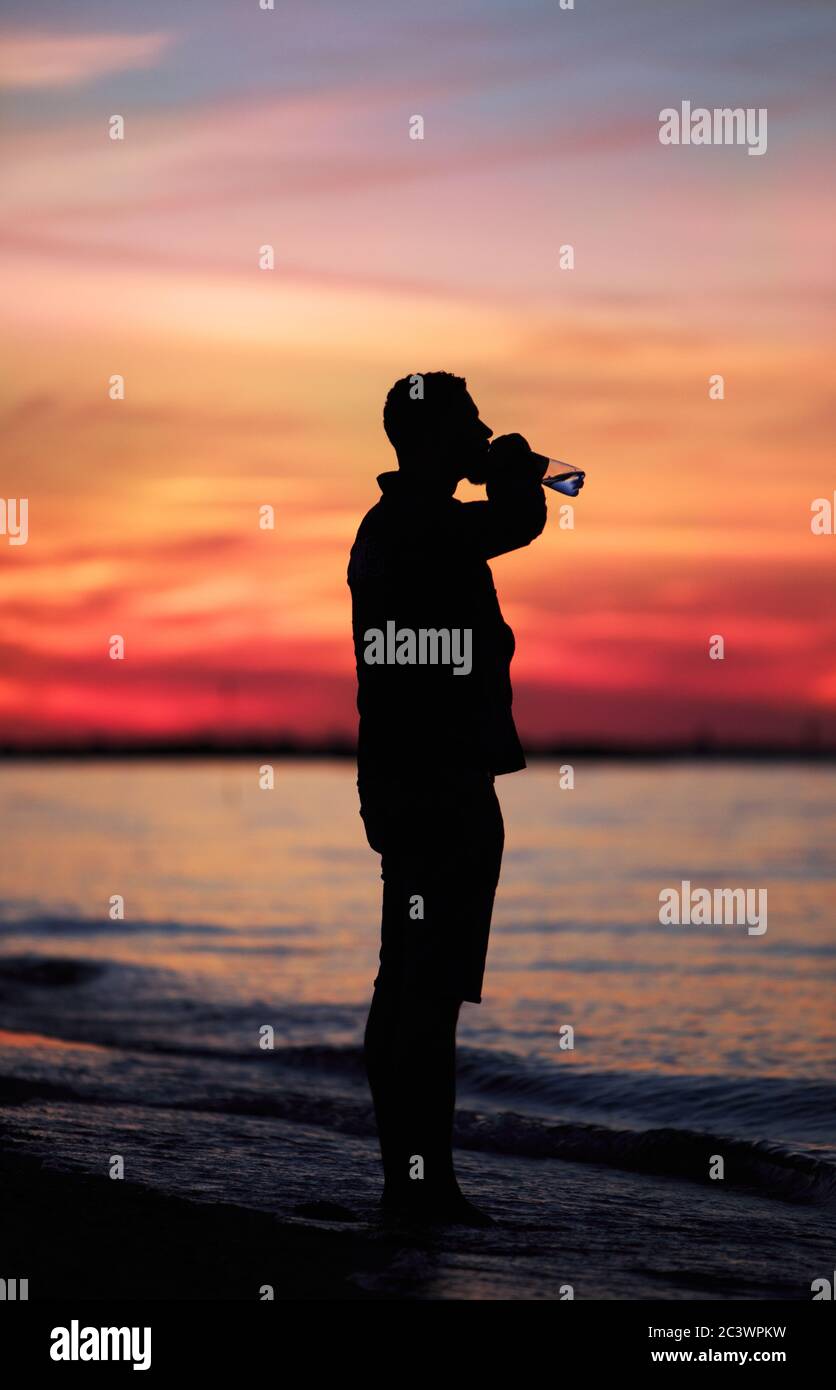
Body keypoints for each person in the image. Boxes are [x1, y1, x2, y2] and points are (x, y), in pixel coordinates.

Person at [347, 371, 580, 1225]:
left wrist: (507, 471)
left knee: (405, 983)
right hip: (441, 786)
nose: (483, 431)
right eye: (470, 425)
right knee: (429, 991)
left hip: (405, 780)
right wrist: (519, 471)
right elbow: (521, 521)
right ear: (435, 439)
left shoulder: (391, 525)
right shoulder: (420, 525)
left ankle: (406, 1180)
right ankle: (425, 1185)